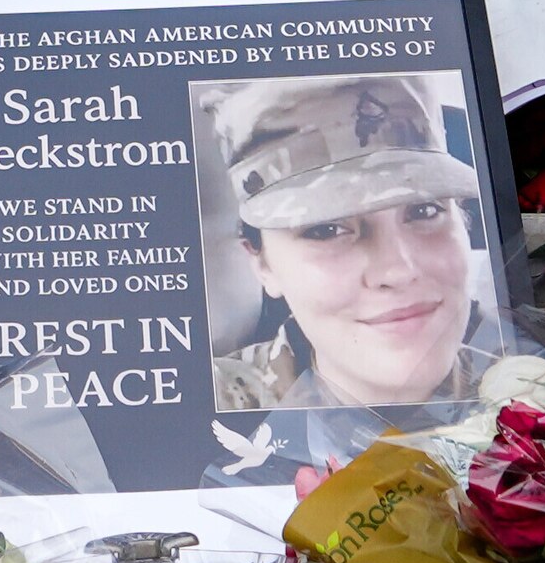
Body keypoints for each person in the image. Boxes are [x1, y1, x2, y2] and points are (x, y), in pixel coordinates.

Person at [208, 75, 489, 410]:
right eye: (326, 230)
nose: (398, 271)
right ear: (262, 263)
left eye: (424, 211)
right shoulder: (209, 401)